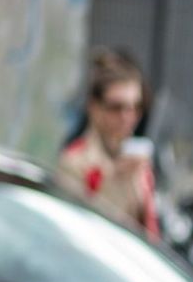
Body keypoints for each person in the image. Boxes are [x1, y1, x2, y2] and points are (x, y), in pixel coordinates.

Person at [58, 48, 159, 240]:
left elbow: (150, 235)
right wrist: (114, 180)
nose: (127, 118)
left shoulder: (137, 160)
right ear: (94, 108)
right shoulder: (75, 161)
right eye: (116, 108)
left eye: (135, 108)